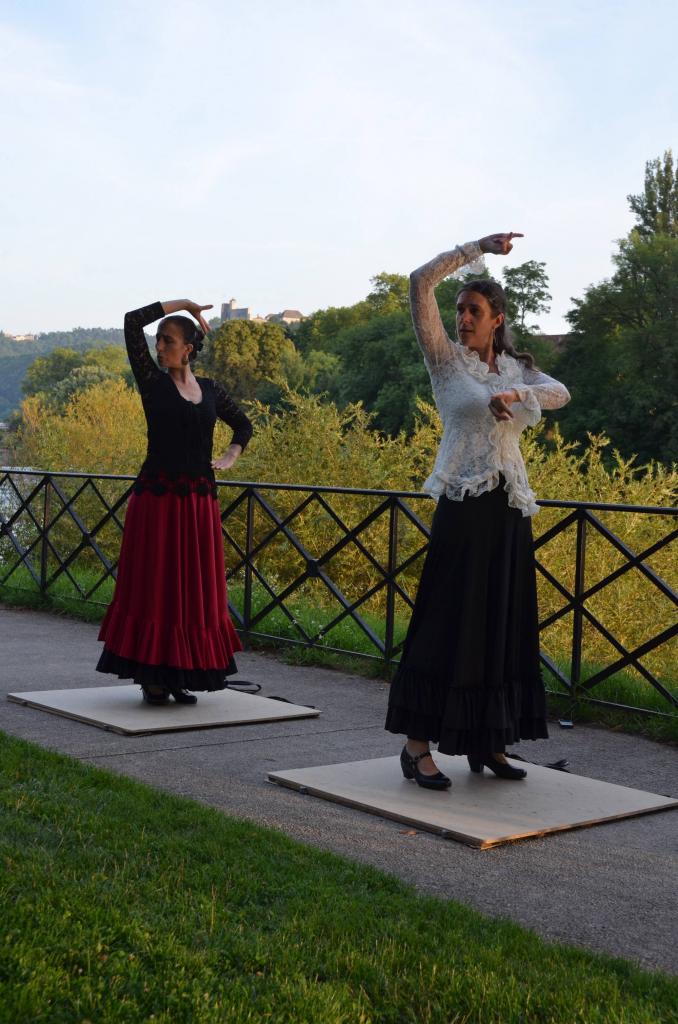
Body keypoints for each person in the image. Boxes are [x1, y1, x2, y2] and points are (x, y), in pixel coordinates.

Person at [385, 233, 570, 788]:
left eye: (474, 310)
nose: (463, 317)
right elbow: (420, 283)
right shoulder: (446, 363)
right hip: (462, 507)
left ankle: (487, 742)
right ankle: (417, 748)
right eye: (460, 309)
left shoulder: (515, 371)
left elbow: (560, 392)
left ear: (497, 319)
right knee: (446, 621)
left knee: (499, 625)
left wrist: (516, 396)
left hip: (508, 509)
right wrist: (476, 249)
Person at [97, 299, 252, 705]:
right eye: (159, 340)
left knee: (191, 591)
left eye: (168, 340)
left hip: (199, 504)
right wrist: (180, 304)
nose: (159, 346)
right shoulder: (152, 382)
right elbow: (132, 322)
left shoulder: (212, 390)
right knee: (157, 585)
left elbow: (244, 426)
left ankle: (178, 674)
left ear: (189, 348)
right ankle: (152, 677)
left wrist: (230, 456)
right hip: (158, 502)